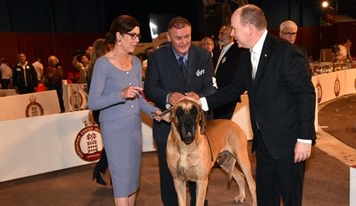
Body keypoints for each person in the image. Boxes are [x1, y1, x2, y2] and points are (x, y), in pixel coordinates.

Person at [188, 4, 316, 205]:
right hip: (263, 142)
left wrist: (305, 138)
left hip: (289, 143)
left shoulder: (286, 52)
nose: (232, 33)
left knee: (291, 199)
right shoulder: (246, 54)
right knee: (266, 198)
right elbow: (233, 89)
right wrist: (201, 101)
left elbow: (305, 94)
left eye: (234, 28)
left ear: (249, 28)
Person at [87, 15, 162, 206]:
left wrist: (156, 112)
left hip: (133, 129)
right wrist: (120, 94)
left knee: (132, 180)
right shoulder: (102, 64)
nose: (137, 40)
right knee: (121, 181)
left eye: (138, 36)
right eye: (133, 36)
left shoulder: (136, 63)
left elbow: (138, 98)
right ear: (119, 36)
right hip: (113, 130)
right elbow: (93, 102)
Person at [143, 16, 216, 206]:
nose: (183, 42)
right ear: (168, 37)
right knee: (170, 178)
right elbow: (149, 88)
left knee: (198, 176)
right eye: (178, 38)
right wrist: (168, 96)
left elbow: (212, 88)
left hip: (196, 127)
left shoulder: (203, 55)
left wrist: (198, 97)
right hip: (167, 127)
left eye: (187, 36)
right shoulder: (157, 57)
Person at [87, 38, 111, 186]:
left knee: (110, 144)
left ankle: (99, 170)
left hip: (99, 110)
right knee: (112, 145)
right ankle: (102, 170)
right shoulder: (100, 68)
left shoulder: (92, 68)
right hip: (104, 109)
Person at [211, 25, 243, 120]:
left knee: (223, 123)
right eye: (219, 33)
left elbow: (230, 74)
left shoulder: (237, 52)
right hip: (215, 94)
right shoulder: (217, 52)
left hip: (227, 94)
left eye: (222, 34)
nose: (219, 36)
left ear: (231, 35)